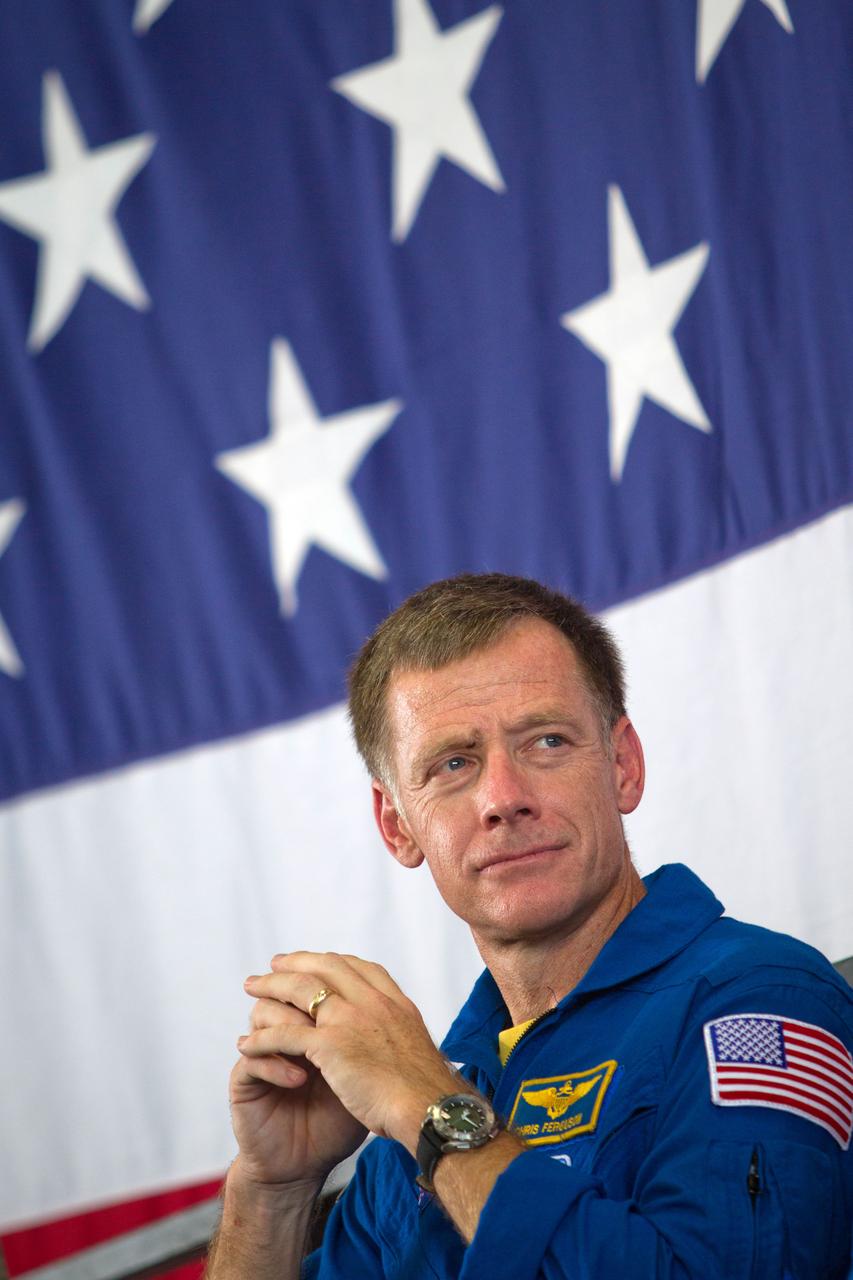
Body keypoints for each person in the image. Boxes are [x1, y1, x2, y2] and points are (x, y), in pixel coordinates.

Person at [204, 573, 853, 1279]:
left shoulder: (760, 1000)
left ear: (622, 766)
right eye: (453, 764)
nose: (502, 799)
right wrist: (271, 1191)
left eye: (545, 742)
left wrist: (433, 1108)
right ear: (397, 825)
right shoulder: (432, 1085)